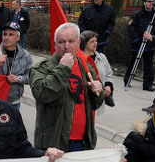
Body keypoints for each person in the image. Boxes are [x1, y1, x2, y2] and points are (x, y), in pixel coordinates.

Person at [31, 22, 104, 151]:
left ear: (79, 43)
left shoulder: (87, 69)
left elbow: (94, 105)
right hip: (52, 143)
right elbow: (43, 94)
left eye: (71, 41)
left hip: (82, 143)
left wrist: (98, 92)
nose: (66, 46)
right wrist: (63, 68)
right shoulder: (41, 68)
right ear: (54, 44)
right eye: (61, 42)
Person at [0, 22, 33, 108]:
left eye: (10, 35)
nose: (6, 37)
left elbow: (31, 77)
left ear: (18, 37)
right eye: (4, 34)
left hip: (14, 102)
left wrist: (18, 78)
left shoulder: (25, 56)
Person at [125, 0, 155, 92]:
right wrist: (136, 40)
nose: (150, 4)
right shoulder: (137, 15)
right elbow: (130, 28)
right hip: (138, 44)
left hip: (150, 44)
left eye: (152, 2)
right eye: (148, 2)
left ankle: (148, 84)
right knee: (133, 62)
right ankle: (127, 80)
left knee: (148, 65)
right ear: (144, 3)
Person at [80, 30, 115, 109]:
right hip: (84, 98)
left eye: (96, 41)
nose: (95, 43)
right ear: (84, 43)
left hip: (98, 98)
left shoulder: (101, 57)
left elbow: (108, 74)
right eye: (92, 41)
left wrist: (108, 85)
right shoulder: (79, 58)